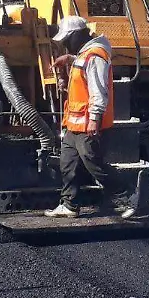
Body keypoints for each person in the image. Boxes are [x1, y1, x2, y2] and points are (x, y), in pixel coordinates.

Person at [45, 16, 113, 219]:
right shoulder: (84, 56)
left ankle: (130, 197)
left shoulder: (95, 56)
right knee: (68, 163)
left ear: (78, 35)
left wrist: (94, 118)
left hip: (86, 123)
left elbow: (98, 91)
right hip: (74, 123)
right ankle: (69, 204)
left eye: (67, 39)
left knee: (93, 163)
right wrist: (69, 62)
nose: (65, 44)